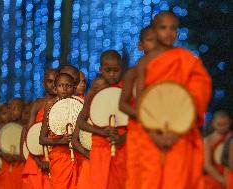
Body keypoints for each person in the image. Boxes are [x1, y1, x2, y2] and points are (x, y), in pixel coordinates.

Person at [130, 11, 212, 189]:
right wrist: (154, 134)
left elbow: (199, 91)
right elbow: (142, 102)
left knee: (178, 181)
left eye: (173, 28)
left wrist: (177, 130)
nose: (168, 33)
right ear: (154, 30)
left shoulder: (187, 60)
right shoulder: (145, 63)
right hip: (150, 135)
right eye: (163, 28)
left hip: (181, 133)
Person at [77, 50, 127, 189]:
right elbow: (81, 122)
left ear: (121, 69)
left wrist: (123, 138)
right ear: (100, 69)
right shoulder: (95, 90)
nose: (112, 74)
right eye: (107, 70)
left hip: (123, 147)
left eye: (116, 70)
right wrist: (102, 132)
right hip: (100, 148)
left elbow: (137, 122)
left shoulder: (126, 90)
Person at [119, 26, 157, 188]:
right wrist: (143, 116)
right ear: (140, 45)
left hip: (164, 131)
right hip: (139, 132)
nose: (155, 45)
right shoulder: (133, 73)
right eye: (150, 41)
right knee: (138, 179)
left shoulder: (172, 71)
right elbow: (123, 104)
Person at [40, 73, 79, 189]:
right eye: (61, 85)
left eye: (69, 86)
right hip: (60, 158)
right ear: (55, 88)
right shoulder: (50, 106)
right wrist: (60, 141)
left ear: (74, 88)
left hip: (78, 156)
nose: (65, 89)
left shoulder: (79, 105)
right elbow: (42, 139)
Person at [22, 69, 59, 189]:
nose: (53, 85)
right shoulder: (37, 104)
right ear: (43, 83)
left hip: (57, 157)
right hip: (37, 157)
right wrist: (38, 161)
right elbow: (28, 134)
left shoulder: (64, 104)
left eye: (56, 81)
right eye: (50, 81)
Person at [73, 76, 109, 189]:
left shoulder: (113, 110)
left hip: (109, 160)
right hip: (89, 162)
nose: (98, 92)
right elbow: (74, 141)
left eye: (102, 88)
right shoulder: (85, 112)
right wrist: (88, 154)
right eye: (95, 88)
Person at [0, 99, 25, 189]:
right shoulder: (5, 130)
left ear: (23, 109)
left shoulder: (27, 128)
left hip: (21, 170)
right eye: (9, 108)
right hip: (7, 171)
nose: (11, 111)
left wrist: (18, 157)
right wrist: (4, 155)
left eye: (15, 108)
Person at [204, 111, 232, 189]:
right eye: (219, 125)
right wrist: (222, 180)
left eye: (225, 124)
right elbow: (207, 165)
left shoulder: (231, 137)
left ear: (230, 122)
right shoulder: (208, 141)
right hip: (215, 175)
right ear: (213, 123)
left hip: (230, 173)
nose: (222, 127)